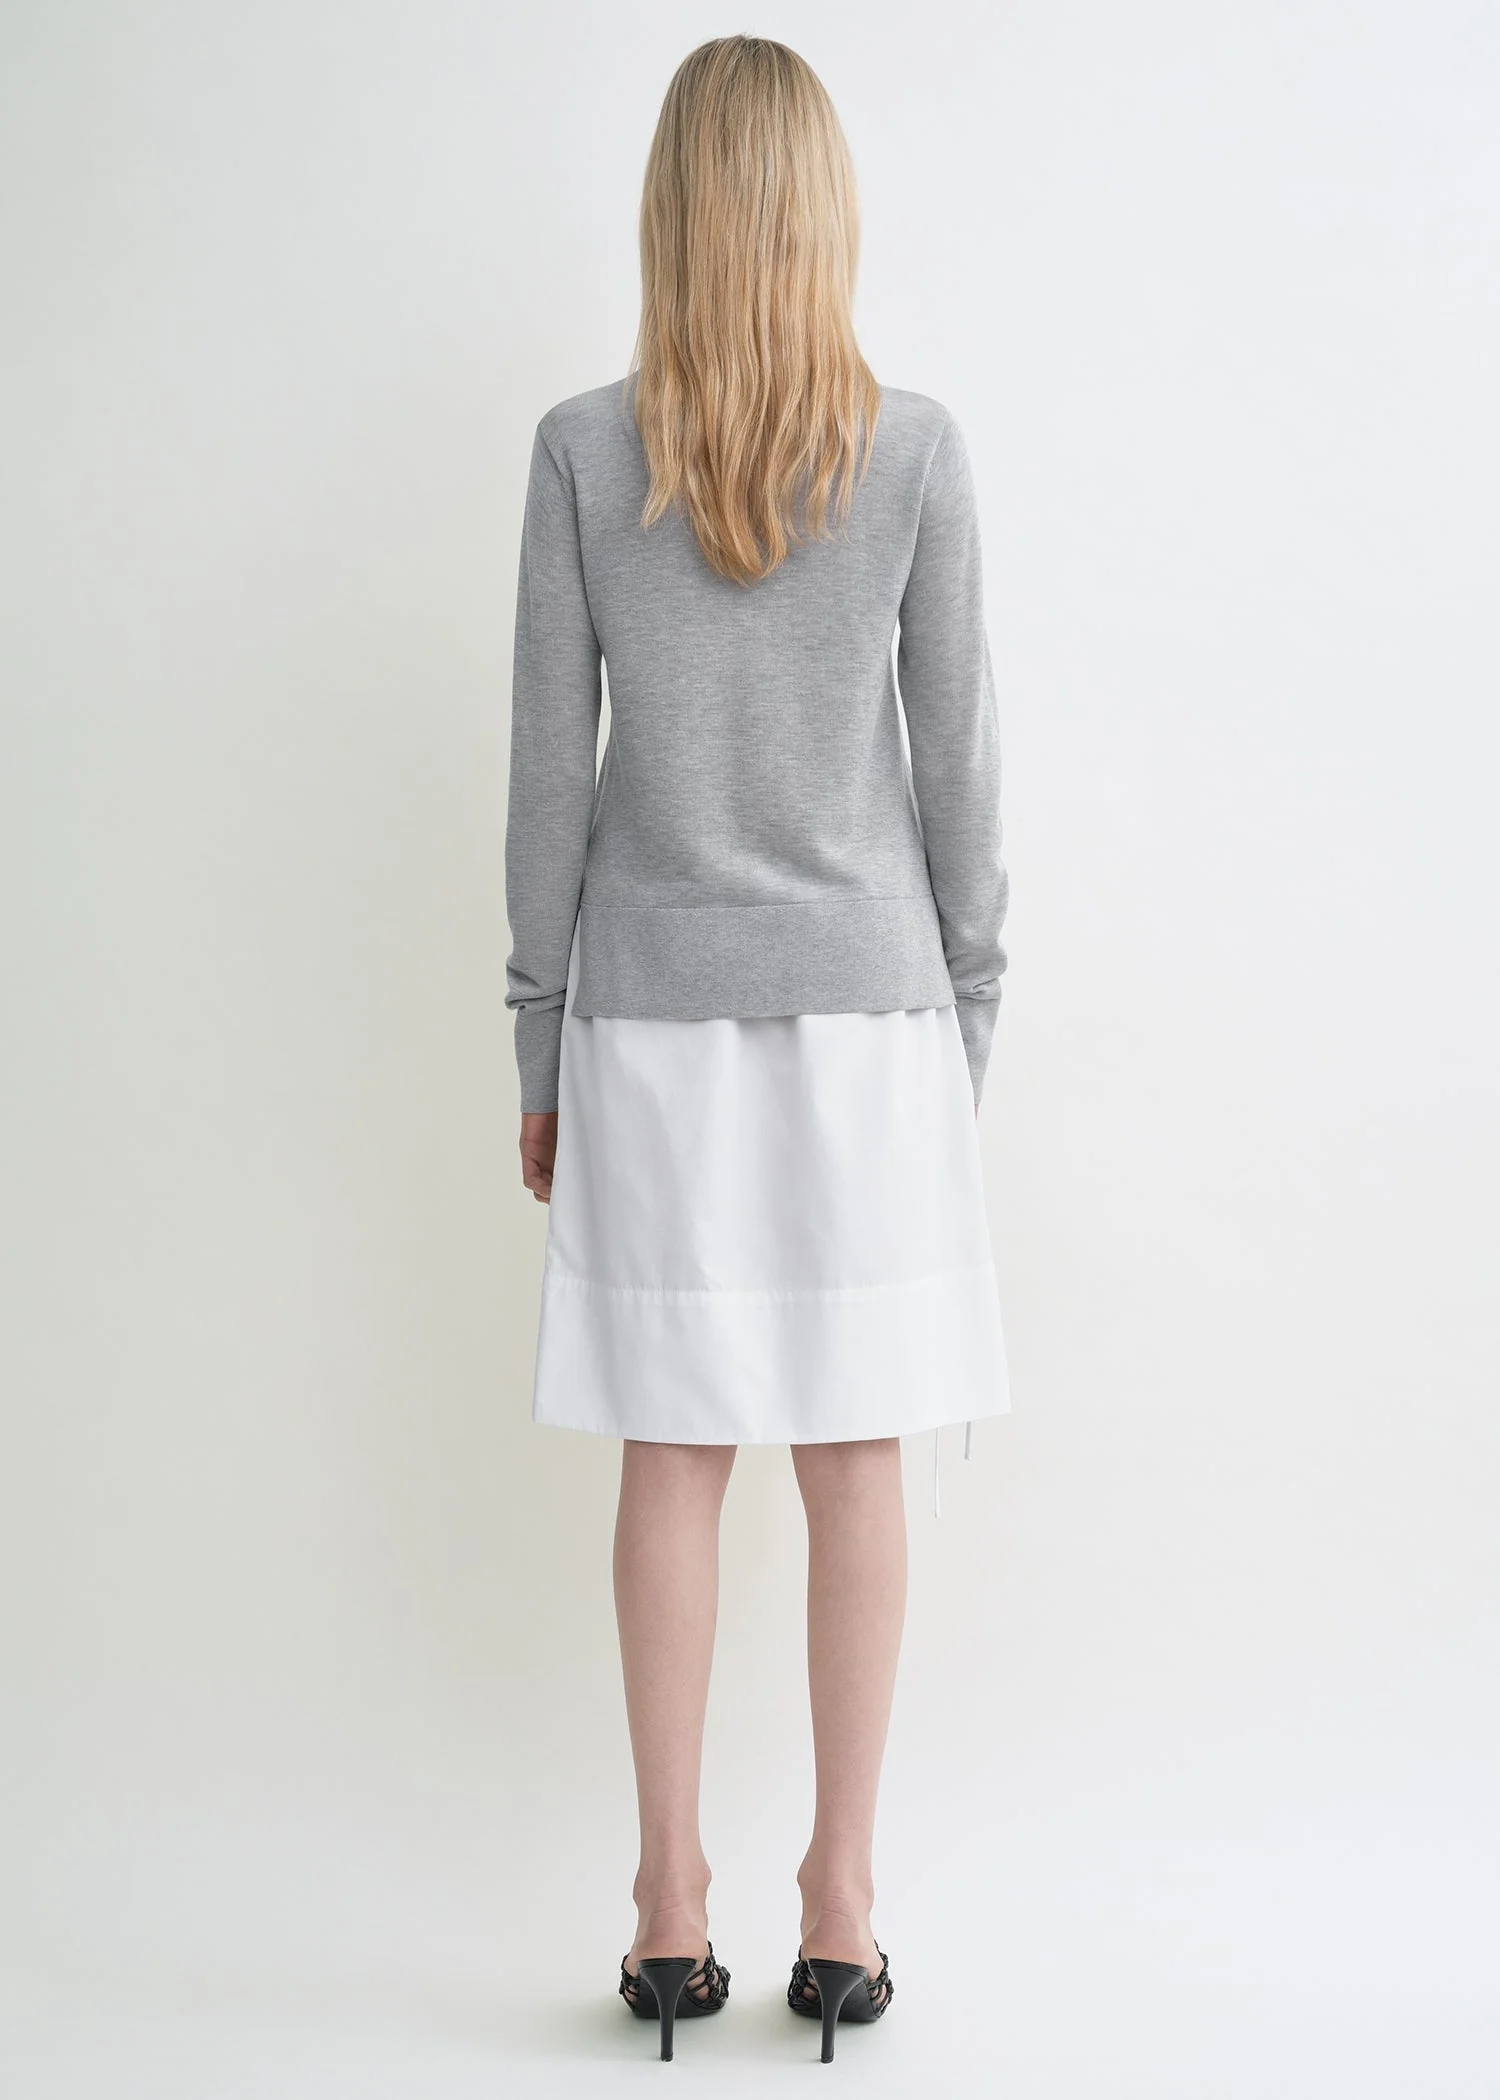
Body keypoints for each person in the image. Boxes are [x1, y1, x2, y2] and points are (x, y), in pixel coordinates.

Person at [503, 34, 1010, 2066]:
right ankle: (844, 1904)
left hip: (648, 1019)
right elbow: (963, 771)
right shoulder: (912, 454)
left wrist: (538, 1040)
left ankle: (666, 1906)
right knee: (855, 1451)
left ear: (669, 216)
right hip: (870, 1020)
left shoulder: (581, 453)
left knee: (676, 1448)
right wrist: (964, 1016)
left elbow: (548, 783)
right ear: (826, 213)